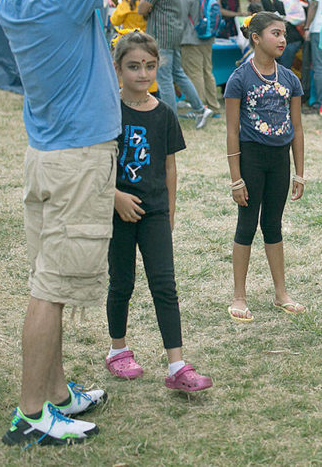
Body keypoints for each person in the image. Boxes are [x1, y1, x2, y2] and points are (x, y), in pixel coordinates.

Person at [0, 0, 163, 446]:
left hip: (47, 155)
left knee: (51, 280)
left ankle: (58, 393)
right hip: (75, 163)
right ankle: (33, 413)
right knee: (52, 289)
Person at [104, 31, 212, 392]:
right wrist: (116, 196)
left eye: (149, 66)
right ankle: (117, 351)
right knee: (122, 284)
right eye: (134, 67)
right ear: (118, 68)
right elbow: (95, 163)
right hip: (116, 213)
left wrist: (169, 211)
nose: (142, 74)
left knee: (165, 286)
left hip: (154, 214)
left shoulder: (165, 113)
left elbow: (169, 168)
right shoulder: (106, 110)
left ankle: (177, 365)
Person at [224, 11, 306, 322]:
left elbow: (297, 128)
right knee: (247, 225)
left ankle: (281, 293)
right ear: (256, 38)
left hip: (279, 161)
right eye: (275, 33)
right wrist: (236, 179)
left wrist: (299, 171)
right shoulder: (239, 79)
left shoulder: (290, 79)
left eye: (284, 33)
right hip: (251, 159)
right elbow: (232, 130)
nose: (283, 39)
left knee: (273, 225)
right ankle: (239, 296)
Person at [136, 0, 214, 129]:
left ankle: (169, 120)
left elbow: (141, 8)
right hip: (173, 35)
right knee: (178, 73)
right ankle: (200, 108)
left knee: (164, 78)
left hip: (161, 36)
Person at [179, 0, 221, 115]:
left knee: (194, 73)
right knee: (207, 71)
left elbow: (181, 17)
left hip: (190, 39)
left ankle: (201, 108)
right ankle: (214, 106)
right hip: (208, 38)